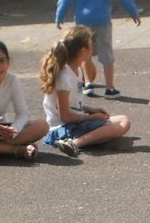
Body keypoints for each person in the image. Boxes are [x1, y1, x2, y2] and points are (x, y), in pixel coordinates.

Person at [40, 26, 131, 156]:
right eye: (91, 44)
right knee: (114, 127)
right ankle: (75, 143)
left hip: (75, 122)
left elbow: (73, 104)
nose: (93, 47)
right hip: (63, 127)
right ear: (83, 51)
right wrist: (92, 117)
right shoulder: (64, 76)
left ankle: (91, 140)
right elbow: (65, 115)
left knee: (124, 120)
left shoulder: (77, 70)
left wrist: (91, 109)